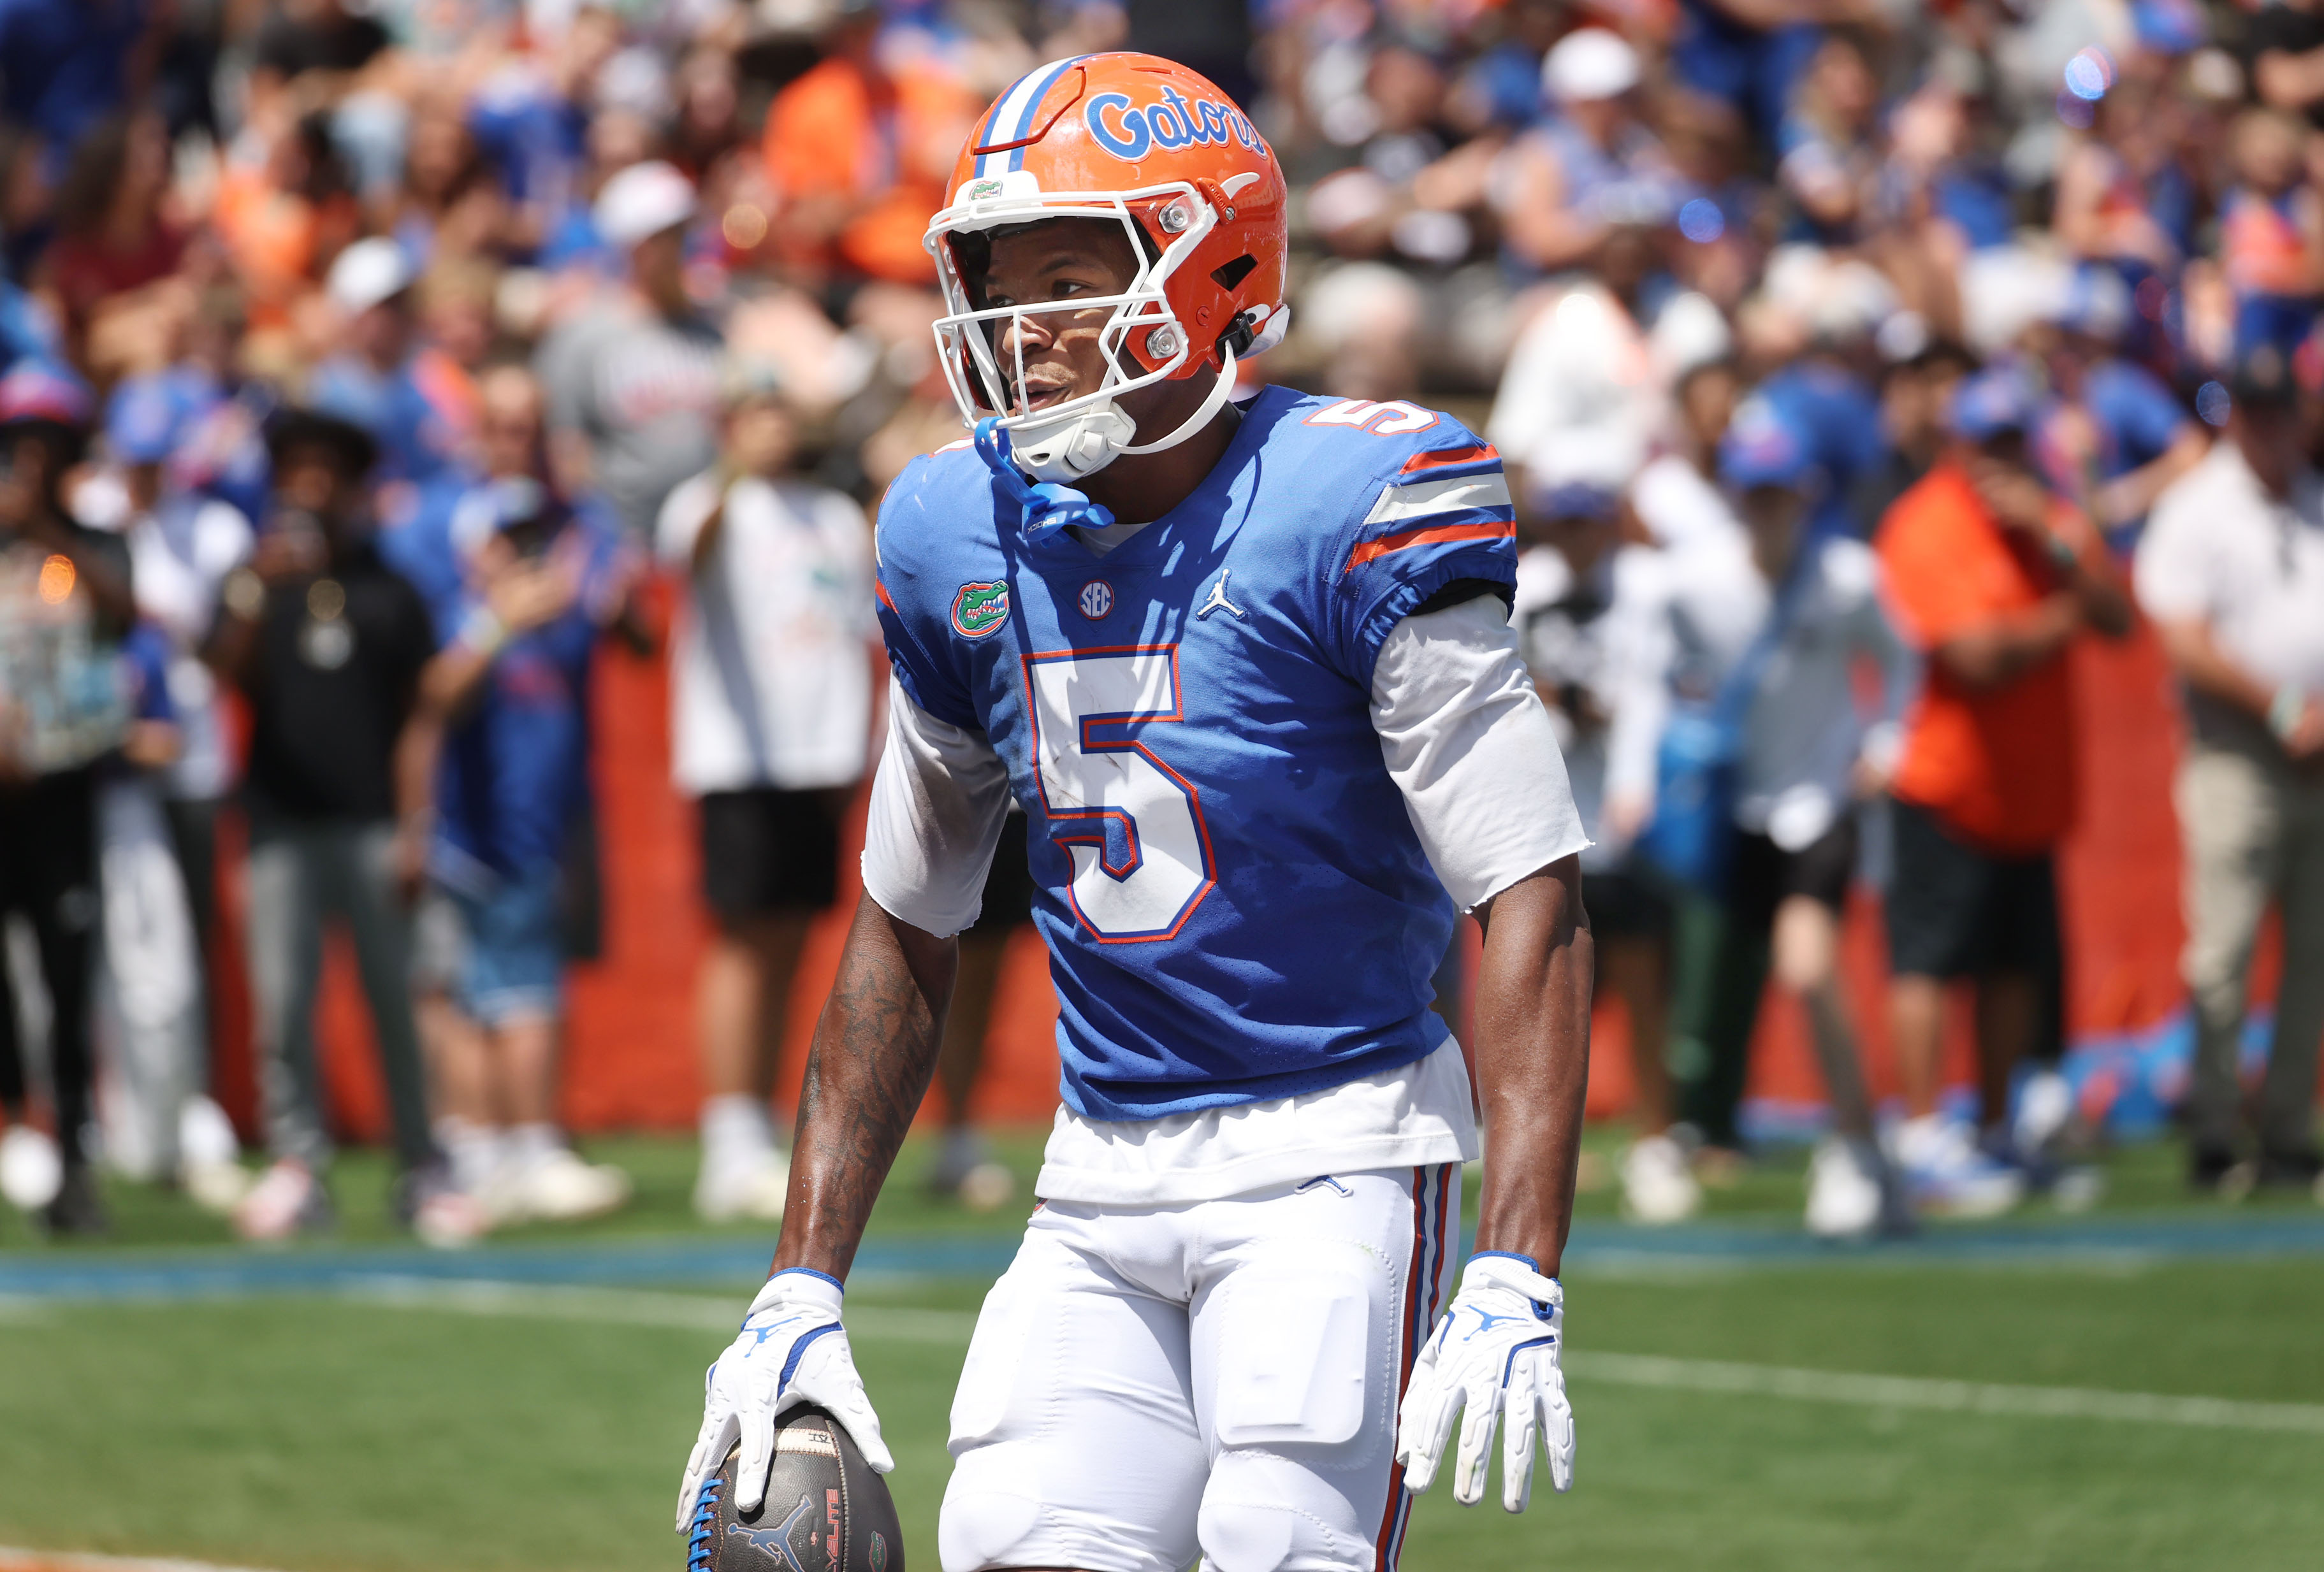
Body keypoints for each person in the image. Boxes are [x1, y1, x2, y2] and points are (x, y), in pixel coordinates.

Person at [676, 54, 1592, 1572]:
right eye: (993, 279)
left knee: (1278, 1542)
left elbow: (1529, 889)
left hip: (1337, 1150)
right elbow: (906, 913)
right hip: (1096, 1167)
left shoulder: (1356, 500)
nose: (1018, 327)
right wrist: (799, 1278)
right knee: (1019, 1539)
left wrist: (1516, 1259)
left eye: (1065, 275)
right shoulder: (945, 525)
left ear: (1212, 267)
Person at [1651, 402, 1917, 1237]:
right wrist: (1675, 733)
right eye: (1752, 492)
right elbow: (1653, 664)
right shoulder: (1694, 578)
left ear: (1805, 492)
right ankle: (1687, 1132)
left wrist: (1884, 741)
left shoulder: (1846, 575)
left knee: (1805, 968)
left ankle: (1855, 1147)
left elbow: (1902, 656)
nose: (1766, 508)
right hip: (1735, 805)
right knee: (1704, 977)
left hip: (1818, 801)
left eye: (1779, 492)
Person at [1874, 364, 2133, 1215]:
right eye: (1985, 441)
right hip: (1944, 780)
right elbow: (1974, 657)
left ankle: (1993, 1127)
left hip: (2029, 788)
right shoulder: (1925, 524)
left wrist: (2057, 538)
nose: (1999, 459)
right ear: (1956, 443)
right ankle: (1920, 1132)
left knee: (2016, 967)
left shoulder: (2049, 521)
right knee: (1930, 960)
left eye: (2012, 440)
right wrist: (2061, 617)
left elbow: (2118, 616)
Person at [391, 363, 635, 1230]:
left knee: (524, 974)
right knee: (468, 980)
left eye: (529, 424)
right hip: (468, 799)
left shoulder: (579, 530)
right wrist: (502, 614)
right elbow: (431, 691)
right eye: (500, 424)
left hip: (546, 785)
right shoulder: (438, 534)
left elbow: (623, 611)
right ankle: (491, 1147)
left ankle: (519, 1144)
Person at [203, 406, 454, 1241]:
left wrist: (417, 823)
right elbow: (220, 676)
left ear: (353, 486)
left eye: (326, 470)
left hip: (373, 823)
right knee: (283, 1002)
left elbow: (421, 715)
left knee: (398, 1001)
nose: (310, 485)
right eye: (295, 469)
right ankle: (298, 1164)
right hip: (279, 823)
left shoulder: (392, 591)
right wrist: (255, 590)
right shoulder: (256, 587)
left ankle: (421, 1164)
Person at [655, 363, 877, 1223]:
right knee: (741, 943)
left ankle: (762, 1125)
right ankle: (727, 1138)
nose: (774, 425)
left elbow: (853, 630)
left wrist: (851, 752)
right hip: (739, 757)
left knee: (789, 943)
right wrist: (730, 466)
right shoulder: (707, 501)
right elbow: (688, 550)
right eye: (757, 411)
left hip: (818, 758)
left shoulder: (828, 515)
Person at [2136, 351, 2324, 1195]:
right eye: (2253, 411)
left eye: (2279, 410)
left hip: (2316, 753)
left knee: (2312, 953)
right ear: (2232, 417)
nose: (2268, 426)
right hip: (2236, 752)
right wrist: (2282, 709)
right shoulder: (2196, 508)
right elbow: (2181, 634)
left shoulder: (2311, 501)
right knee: (2225, 944)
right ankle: (2214, 1128)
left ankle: (2287, 1127)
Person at [1511, 470, 1694, 1223]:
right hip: (1550, 812)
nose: (1581, 537)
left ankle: (1657, 1142)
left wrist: (1627, 756)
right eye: (1569, 522)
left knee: (1645, 987)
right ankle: (1551, 1147)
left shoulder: (1648, 587)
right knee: (1549, 996)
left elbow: (1660, 688)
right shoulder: (1526, 584)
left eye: (1592, 521)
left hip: (1624, 813)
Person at [0, 362, 135, 1235]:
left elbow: (125, 618)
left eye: (46, 449)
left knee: (67, 970)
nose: (31, 464)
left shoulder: (90, 540)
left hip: (66, 788)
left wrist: (48, 528)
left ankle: (76, 1154)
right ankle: (15, 1125)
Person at [537, 160, 722, 542]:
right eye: (671, 236)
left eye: (684, 233)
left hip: (709, 536)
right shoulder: (580, 336)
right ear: (639, 247)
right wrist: (606, 541)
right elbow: (569, 453)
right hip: (629, 539)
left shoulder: (712, 328)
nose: (684, 248)